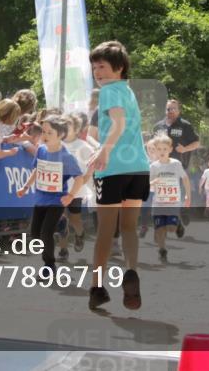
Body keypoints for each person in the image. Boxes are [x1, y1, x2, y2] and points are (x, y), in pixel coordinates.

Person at [87, 40, 149, 311]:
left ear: (119, 68)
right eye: (94, 67)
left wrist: (104, 150)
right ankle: (131, 271)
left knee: (105, 230)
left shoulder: (110, 91)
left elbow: (119, 124)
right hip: (138, 168)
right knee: (129, 227)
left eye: (102, 66)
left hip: (113, 168)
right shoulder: (128, 91)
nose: (97, 72)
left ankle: (97, 287)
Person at [17, 115, 91, 276]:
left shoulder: (66, 157)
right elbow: (37, 170)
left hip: (57, 200)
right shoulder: (41, 150)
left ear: (60, 135)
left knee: (45, 233)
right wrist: (26, 186)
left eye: (50, 133)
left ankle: (49, 266)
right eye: (43, 132)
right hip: (40, 198)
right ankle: (61, 224)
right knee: (35, 233)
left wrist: (71, 195)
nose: (44, 136)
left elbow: (78, 178)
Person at [153, 99, 201, 237]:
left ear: (179, 111)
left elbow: (197, 142)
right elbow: (152, 145)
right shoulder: (158, 127)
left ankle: (178, 217)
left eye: (173, 109)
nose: (170, 111)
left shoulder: (185, 125)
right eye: (168, 109)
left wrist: (185, 149)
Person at [148, 133, 190, 261]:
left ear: (170, 150)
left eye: (165, 149)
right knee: (160, 229)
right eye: (159, 149)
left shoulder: (175, 164)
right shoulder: (153, 166)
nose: (162, 152)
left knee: (170, 229)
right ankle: (162, 250)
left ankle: (177, 225)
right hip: (158, 203)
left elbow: (185, 178)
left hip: (172, 202)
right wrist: (152, 183)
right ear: (155, 150)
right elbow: (148, 185)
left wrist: (188, 195)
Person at [57, 114, 92, 260]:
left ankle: (79, 234)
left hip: (76, 190)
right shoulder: (56, 144)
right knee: (61, 218)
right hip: (58, 189)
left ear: (76, 128)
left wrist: (82, 182)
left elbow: (89, 169)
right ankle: (63, 250)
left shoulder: (83, 147)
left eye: (68, 125)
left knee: (74, 219)